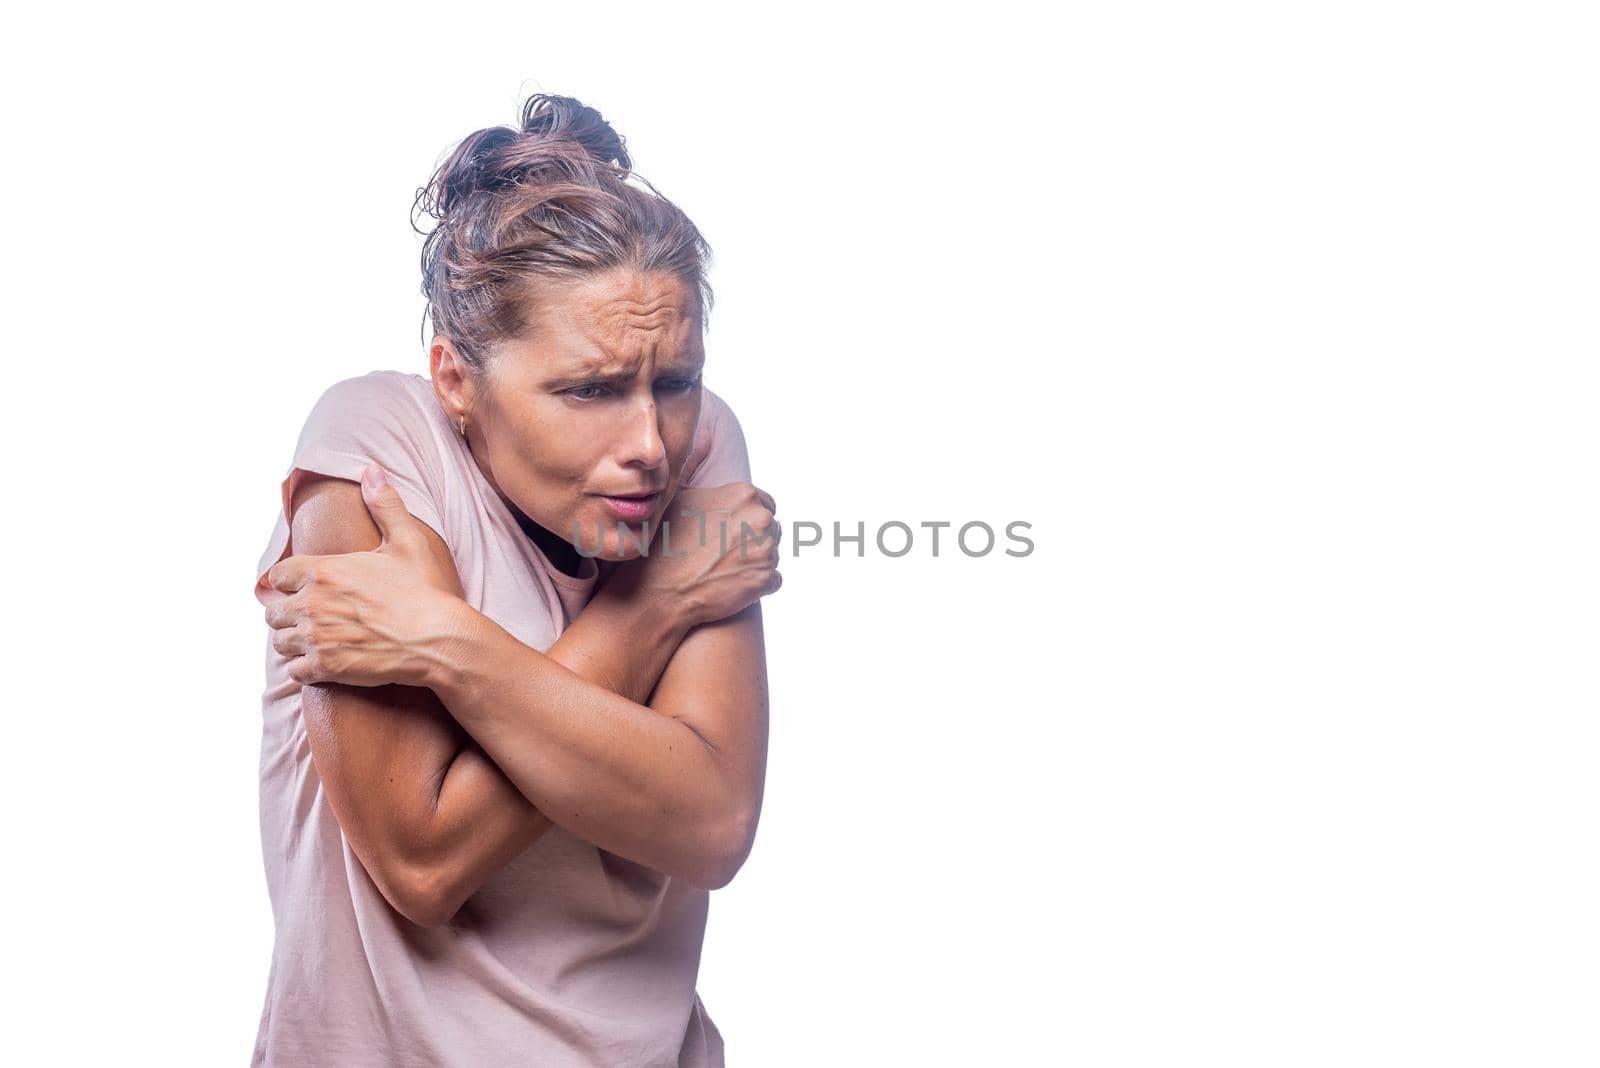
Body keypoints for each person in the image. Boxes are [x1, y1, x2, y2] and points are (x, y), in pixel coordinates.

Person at [249, 93, 781, 1067]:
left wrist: (444, 641)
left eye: (673, 381)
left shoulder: (703, 442)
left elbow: (710, 823)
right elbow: (422, 855)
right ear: (457, 380)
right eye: (587, 389)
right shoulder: (373, 444)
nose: (648, 446)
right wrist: (657, 604)